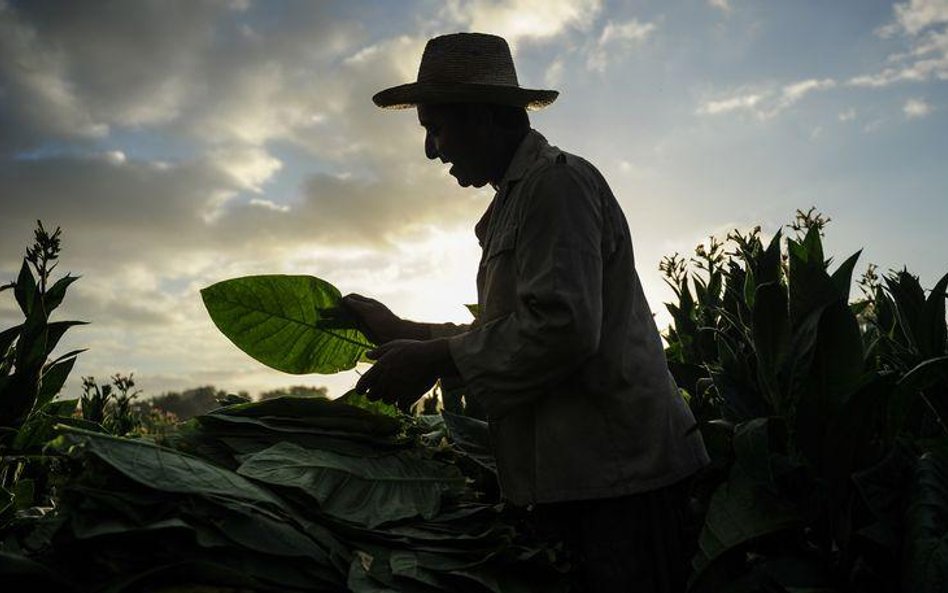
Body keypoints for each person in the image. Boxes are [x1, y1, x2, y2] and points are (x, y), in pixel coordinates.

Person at [344, 32, 710, 593]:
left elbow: (562, 329)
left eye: (435, 127)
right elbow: (513, 331)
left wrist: (432, 358)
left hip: (619, 483)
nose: (431, 150)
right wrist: (405, 333)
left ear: (484, 119)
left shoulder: (555, 186)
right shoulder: (519, 200)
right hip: (582, 481)